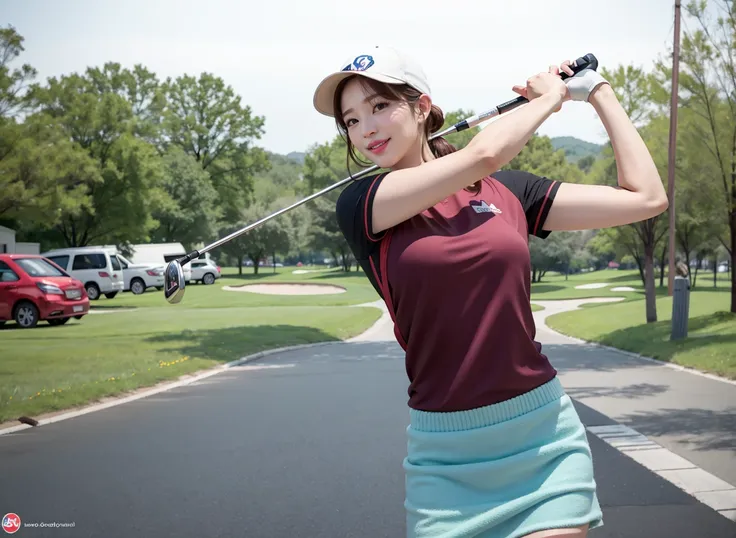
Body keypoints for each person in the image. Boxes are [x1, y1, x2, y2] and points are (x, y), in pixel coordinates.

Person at [312, 46, 668, 538]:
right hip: (444, 457)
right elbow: (484, 151)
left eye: (378, 106)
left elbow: (646, 198)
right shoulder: (362, 204)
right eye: (350, 120)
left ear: (421, 106)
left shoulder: (506, 192)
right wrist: (549, 100)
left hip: (541, 434)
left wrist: (597, 93)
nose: (365, 128)